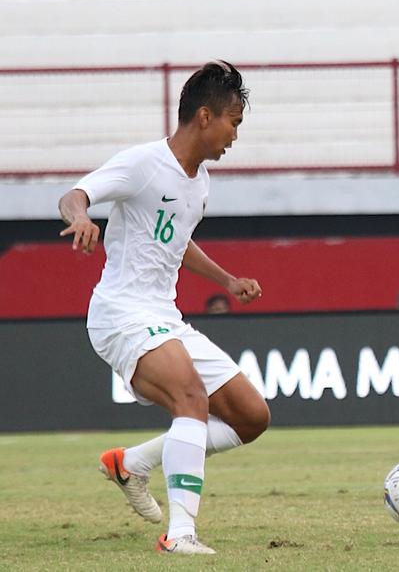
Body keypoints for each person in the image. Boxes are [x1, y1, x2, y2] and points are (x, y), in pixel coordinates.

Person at [58, 61, 269, 555]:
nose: (234, 136)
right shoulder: (143, 163)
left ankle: (131, 463)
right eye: (233, 122)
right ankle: (180, 536)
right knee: (191, 399)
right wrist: (82, 217)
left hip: (164, 318)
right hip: (122, 315)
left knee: (251, 416)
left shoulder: (199, 183)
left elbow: (176, 241)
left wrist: (227, 279)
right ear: (204, 116)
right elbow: (74, 194)